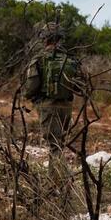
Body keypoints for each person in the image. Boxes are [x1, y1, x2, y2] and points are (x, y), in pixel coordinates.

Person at [24, 22, 82, 157]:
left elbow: (31, 86)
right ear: (60, 38)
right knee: (59, 144)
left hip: (48, 106)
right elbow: (79, 85)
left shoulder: (39, 58)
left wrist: (28, 95)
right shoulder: (70, 58)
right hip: (66, 107)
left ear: (44, 39)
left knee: (55, 147)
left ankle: (57, 178)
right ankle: (59, 176)